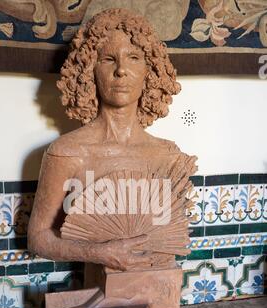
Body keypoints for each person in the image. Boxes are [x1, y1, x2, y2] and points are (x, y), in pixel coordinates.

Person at [27, 8, 182, 272]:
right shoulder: (68, 152)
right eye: (108, 59)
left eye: (134, 58)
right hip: (99, 289)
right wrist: (99, 253)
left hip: (157, 289)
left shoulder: (168, 155)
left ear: (150, 71)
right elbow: (37, 238)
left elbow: (169, 234)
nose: (121, 70)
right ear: (90, 71)